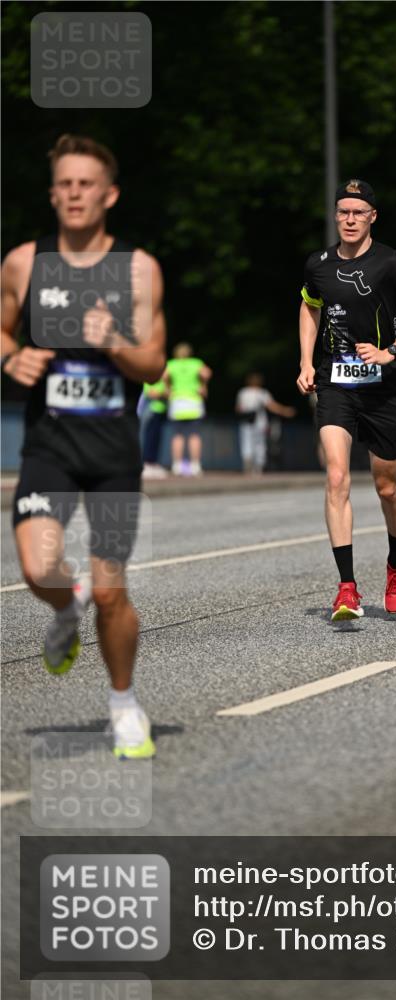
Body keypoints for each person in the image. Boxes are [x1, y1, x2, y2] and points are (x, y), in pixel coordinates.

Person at [0, 134, 166, 757]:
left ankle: (123, 705)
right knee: (39, 566)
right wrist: (13, 357)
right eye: (64, 184)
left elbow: (152, 364)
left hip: (114, 452)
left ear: (109, 194)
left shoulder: (137, 270)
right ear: (53, 194)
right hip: (50, 445)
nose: (73, 193)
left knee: (110, 591)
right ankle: (65, 612)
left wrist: (115, 341)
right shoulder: (23, 262)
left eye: (85, 183)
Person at [296, 179, 396, 621]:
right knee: (337, 477)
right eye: (343, 212)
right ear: (335, 215)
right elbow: (309, 306)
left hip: (384, 390)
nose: (350, 219)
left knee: (386, 487)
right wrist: (306, 361)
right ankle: (346, 588)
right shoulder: (318, 264)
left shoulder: (392, 264)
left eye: (358, 212)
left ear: (372, 217)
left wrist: (391, 351)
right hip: (336, 383)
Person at [164, 342, 212, 476]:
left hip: (177, 401)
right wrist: (203, 386)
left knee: (178, 435)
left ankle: (177, 465)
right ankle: (195, 465)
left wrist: (168, 389)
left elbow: (164, 376)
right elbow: (207, 374)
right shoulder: (196, 363)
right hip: (193, 401)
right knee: (194, 435)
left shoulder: (172, 364)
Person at [235, 373, 296, 474]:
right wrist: (285, 411)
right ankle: (258, 467)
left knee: (246, 443)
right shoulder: (262, 393)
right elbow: (272, 406)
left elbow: (238, 408)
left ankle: (248, 465)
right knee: (259, 444)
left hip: (246, 422)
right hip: (260, 423)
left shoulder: (243, 392)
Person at [141, 374, 168, 477]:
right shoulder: (149, 376)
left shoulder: (163, 379)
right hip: (150, 411)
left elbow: (168, 393)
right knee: (148, 437)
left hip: (160, 410)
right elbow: (151, 393)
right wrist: (163, 393)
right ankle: (146, 463)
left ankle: (153, 462)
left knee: (156, 438)